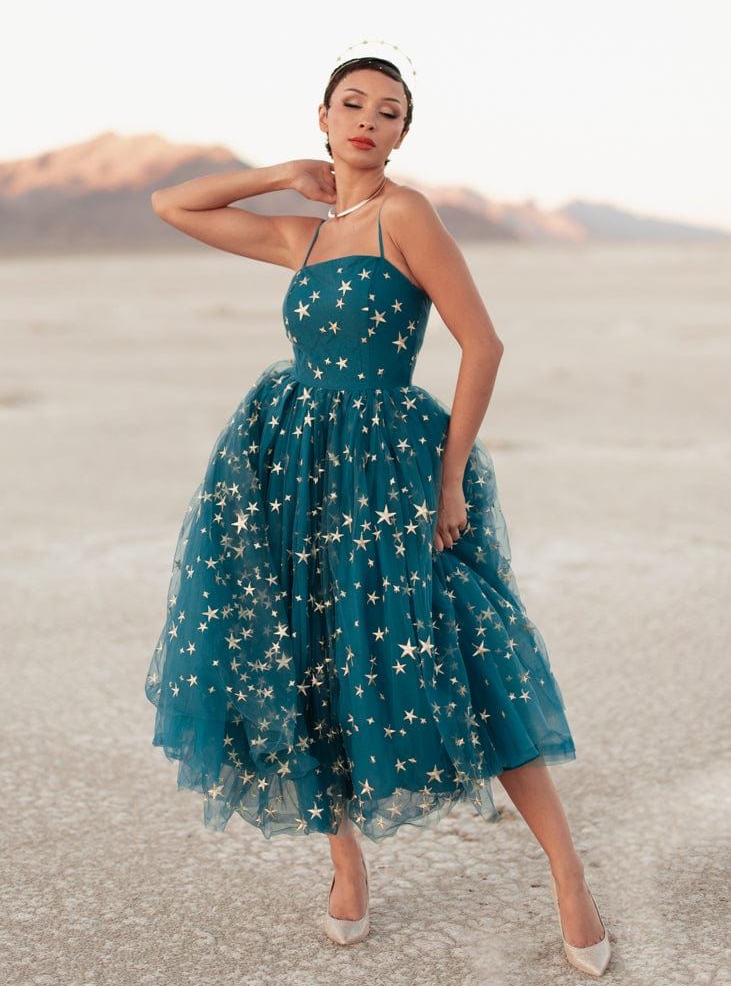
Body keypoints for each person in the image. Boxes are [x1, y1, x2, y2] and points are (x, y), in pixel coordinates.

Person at [144, 55, 611, 973]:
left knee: (464, 648)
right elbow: (174, 204)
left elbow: (482, 344)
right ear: (322, 118)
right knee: (305, 654)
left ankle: (567, 876)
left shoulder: (406, 215)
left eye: (387, 111)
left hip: (389, 466)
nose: (367, 120)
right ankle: (346, 869)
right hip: (289, 466)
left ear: (402, 133)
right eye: (351, 105)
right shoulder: (305, 237)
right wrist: (283, 174)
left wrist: (446, 484)